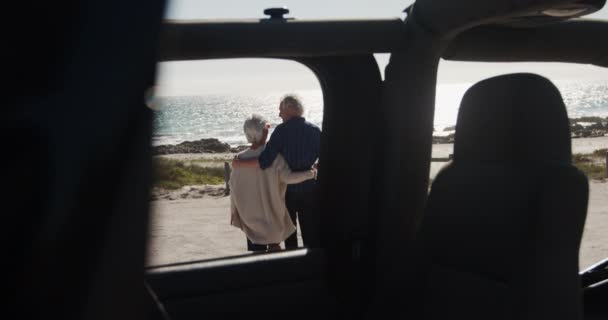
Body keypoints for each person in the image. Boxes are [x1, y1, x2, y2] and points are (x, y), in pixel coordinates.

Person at [233, 95, 321, 248]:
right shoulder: (314, 130)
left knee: (289, 233)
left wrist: (241, 162)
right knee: (311, 232)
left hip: (287, 191)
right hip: (309, 188)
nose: (279, 114)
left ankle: (292, 262)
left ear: (290, 110)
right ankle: (310, 264)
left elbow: (265, 161)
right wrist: (314, 169)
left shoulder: (280, 132)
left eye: (281, 110)